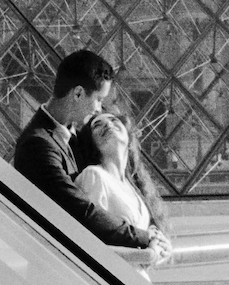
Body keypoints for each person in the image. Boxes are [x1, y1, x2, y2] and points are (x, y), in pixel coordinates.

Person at [13, 50, 162, 256]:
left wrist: (152, 231)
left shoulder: (72, 137)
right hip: (57, 273)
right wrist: (143, 237)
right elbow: (80, 209)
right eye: (99, 99)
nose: (100, 109)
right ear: (78, 94)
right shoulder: (37, 145)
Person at [73, 112, 172, 269]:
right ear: (91, 143)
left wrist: (162, 248)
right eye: (97, 125)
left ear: (128, 136)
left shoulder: (130, 186)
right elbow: (86, 245)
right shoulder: (94, 176)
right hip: (111, 284)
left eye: (113, 120)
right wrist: (149, 255)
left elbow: (143, 242)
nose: (108, 124)